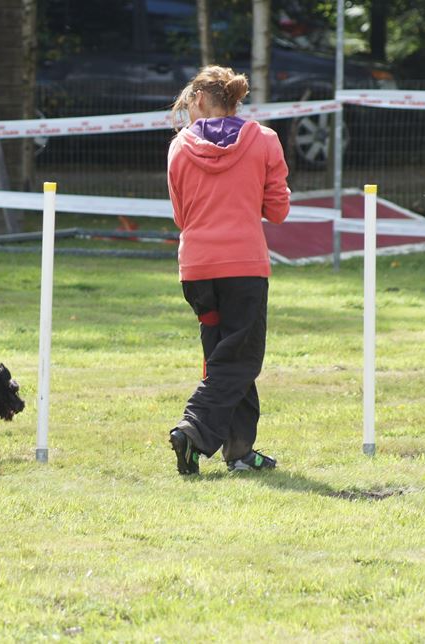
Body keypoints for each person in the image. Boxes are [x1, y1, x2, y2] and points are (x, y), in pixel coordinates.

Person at [165, 65, 291, 475]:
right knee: (241, 358)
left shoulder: (179, 146)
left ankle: (239, 453)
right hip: (244, 266)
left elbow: (181, 217)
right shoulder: (265, 140)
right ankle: (193, 430)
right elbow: (278, 210)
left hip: (197, 269)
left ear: (199, 100)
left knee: (224, 356)